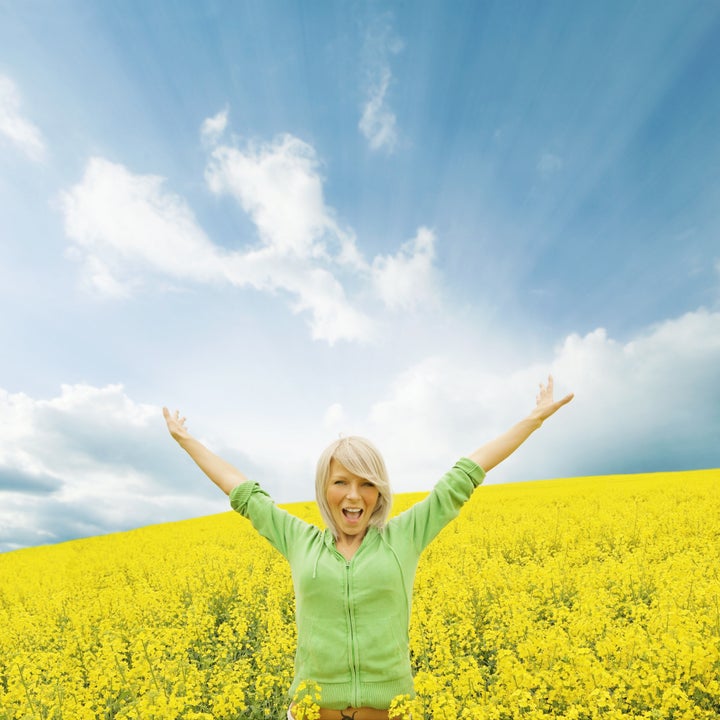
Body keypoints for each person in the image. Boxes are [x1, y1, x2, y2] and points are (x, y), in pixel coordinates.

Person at [163, 376, 573, 720]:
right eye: (341, 481)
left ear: (380, 491)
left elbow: (466, 473)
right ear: (324, 488)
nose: (353, 495)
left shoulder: (405, 537)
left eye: (366, 483)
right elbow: (241, 490)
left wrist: (533, 420)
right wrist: (186, 441)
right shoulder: (298, 539)